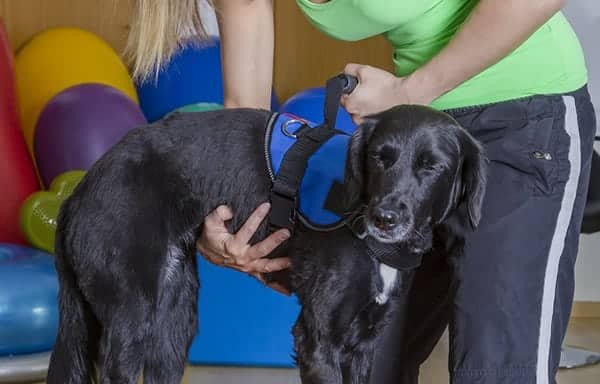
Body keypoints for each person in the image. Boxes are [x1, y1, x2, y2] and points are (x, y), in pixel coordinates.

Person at [127, 0, 596, 382]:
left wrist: (414, 90)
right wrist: (232, 211)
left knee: (496, 368)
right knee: (361, 361)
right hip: (403, 137)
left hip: (518, 121)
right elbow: (244, 118)